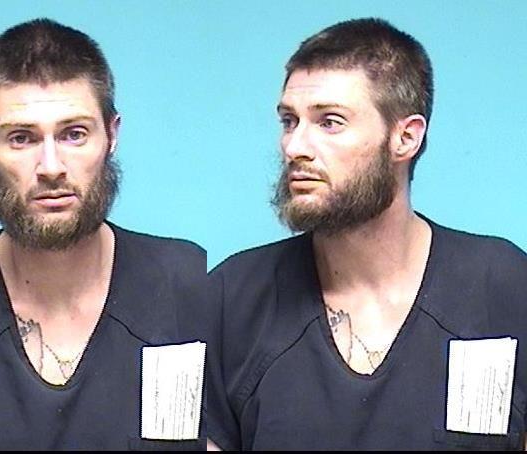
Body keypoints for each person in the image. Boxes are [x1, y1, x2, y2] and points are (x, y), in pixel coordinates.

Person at [205, 18, 527, 450]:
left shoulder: (503, 287)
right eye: (289, 121)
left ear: (405, 138)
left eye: (329, 122)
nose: (294, 147)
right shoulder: (231, 298)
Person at [0, 19, 207, 450]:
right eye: (22, 139)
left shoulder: (194, 289)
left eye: (74, 134)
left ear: (111, 135)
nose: (51, 167)